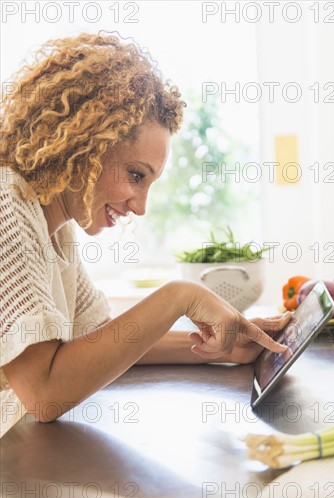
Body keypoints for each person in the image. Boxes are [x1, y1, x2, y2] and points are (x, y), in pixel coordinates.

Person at [0, 32, 291, 436]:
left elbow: (101, 345)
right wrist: (181, 296)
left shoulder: (55, 230)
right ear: (84, 148)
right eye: (136, 175)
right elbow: (44, 393)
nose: (140, 206)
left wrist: (221, 348)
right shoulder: (6, 208)